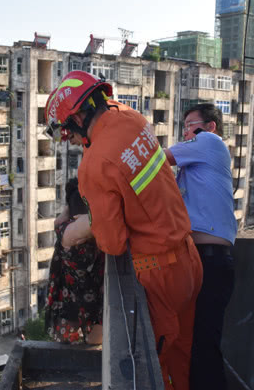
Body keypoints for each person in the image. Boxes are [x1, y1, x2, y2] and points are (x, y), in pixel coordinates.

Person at [45, 71, 203, 389]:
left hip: (160, 275)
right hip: (189, 258)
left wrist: (86, 226)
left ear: (76, 116)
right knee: (183, 358)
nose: (71, 141)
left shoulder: (94, 164)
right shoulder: (132, 119)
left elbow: (114, 243)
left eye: (67, 133)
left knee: (151, 368)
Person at [164, 103, 237, 390]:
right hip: (201, 259)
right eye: (183, 126)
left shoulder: (209, 142)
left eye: (191, 124)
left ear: (210, 127)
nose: (186, 132)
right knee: (194, 344)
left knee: (203, 346)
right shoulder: (195, 166)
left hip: (211, 260)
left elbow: (157, 159)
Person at [45, 178, 105, 345]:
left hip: (82, 303)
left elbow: (58, 221)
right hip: (75, 306)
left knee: (87, 353)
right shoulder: (71, 232)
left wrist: (68, 209)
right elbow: (100, 218)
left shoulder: (64, 227)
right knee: (73, 355)